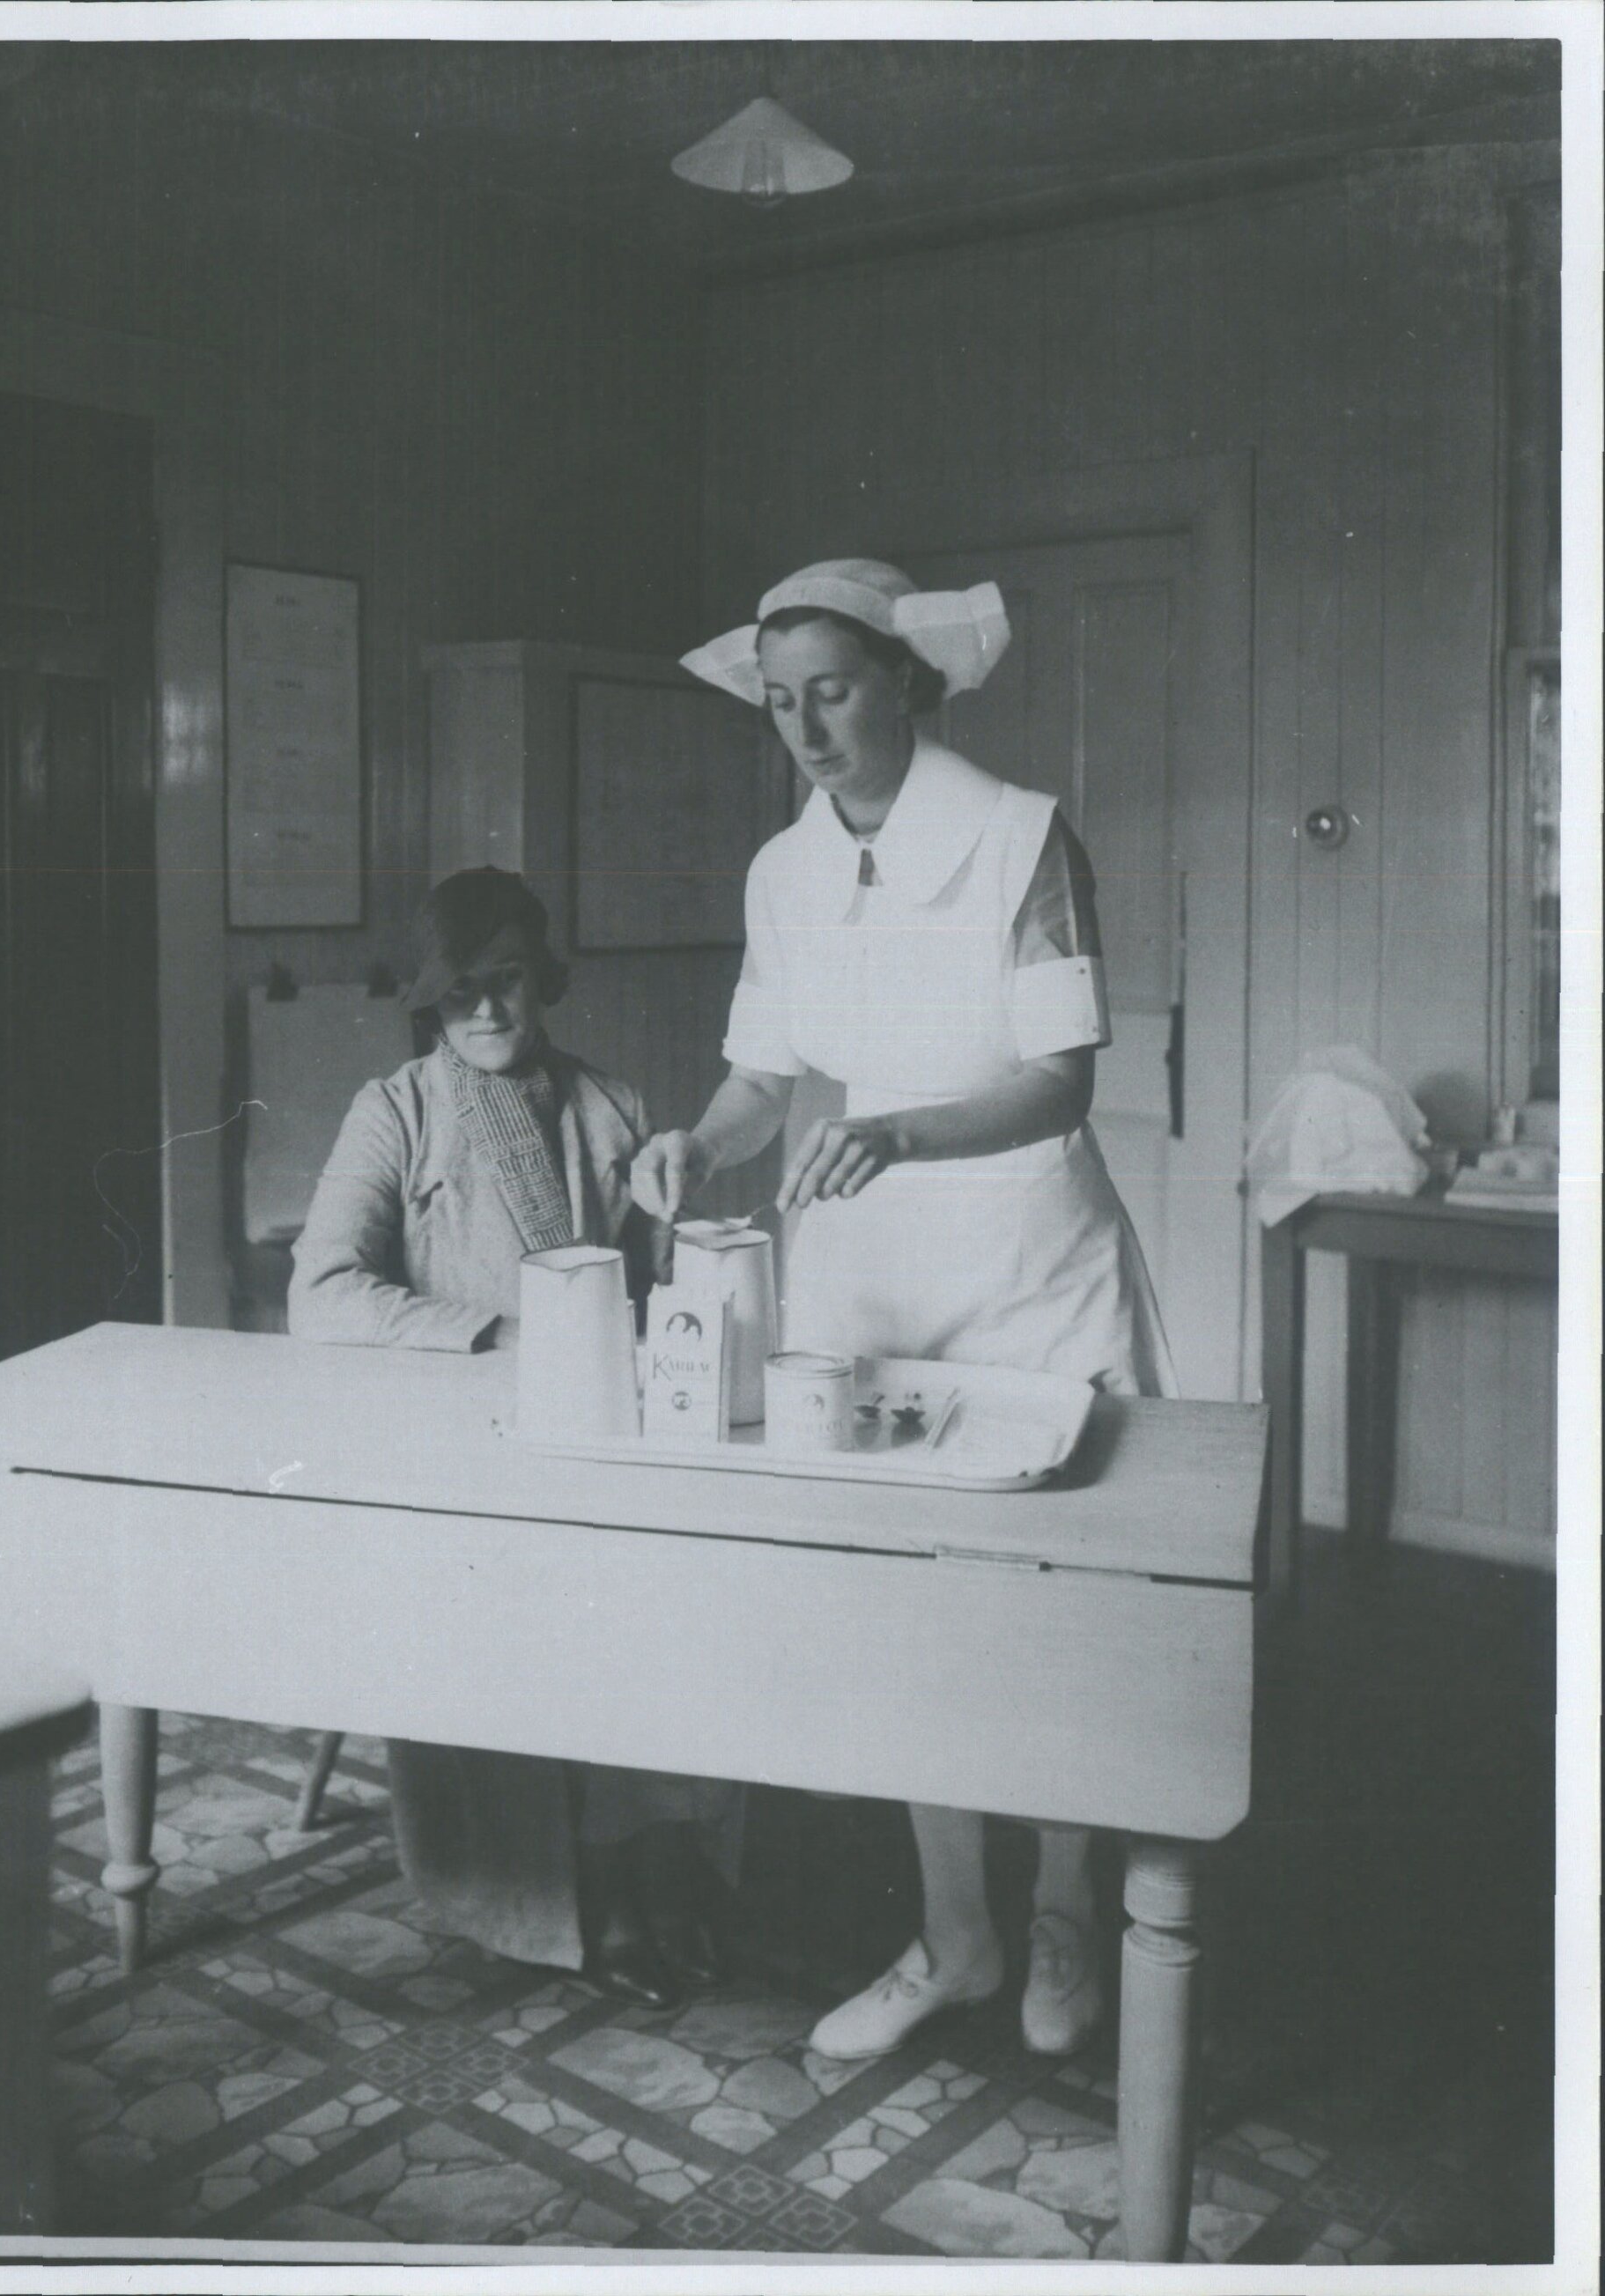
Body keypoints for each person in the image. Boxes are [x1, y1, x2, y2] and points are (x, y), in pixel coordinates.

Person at [632, 559, 1175, 2062]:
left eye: (836, 689)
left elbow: (1061, 1077)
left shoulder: (1018, 838)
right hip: (866, 1279)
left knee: (1052, 1618)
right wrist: (700, 1137)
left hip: (1024, 1268)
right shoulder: (784, 870)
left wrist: (902, 1130)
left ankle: (1066, 1914)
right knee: (912, 1622)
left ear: (909, 684)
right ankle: (960, 1936)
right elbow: (763, 1078)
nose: (806, 726)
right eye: (780, 700)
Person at [289, 865, 739, 2009]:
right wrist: (497, 1333)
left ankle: (657, 1860)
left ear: (542, 981)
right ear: (430, 1007)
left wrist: (673, 1224)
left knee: (668, 1588)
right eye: (460, 995)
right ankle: (566, 1899)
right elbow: (323, 1293)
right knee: (515, 1613)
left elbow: (656, 1299)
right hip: (457, 1455)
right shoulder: (395, 1110)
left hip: (596, 1444)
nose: (487, 1012)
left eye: (507, 984)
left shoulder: (614, 1106)